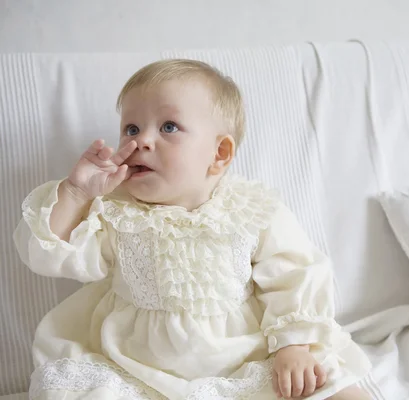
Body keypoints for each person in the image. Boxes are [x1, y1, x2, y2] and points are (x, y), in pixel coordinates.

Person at [13, 59, 372, 400]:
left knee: (333, 385)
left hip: (245, 358)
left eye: (168, 127)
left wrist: (293, 346)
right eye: (131, 129)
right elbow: (52, 256)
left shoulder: (251, 209)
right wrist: (76, 193)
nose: (142, 141)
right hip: (133, 365)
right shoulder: (116, 211)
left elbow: (297, 274)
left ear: (219, 153)